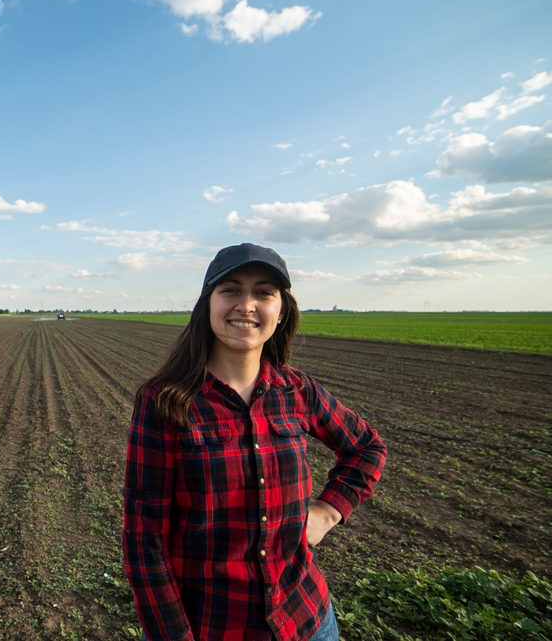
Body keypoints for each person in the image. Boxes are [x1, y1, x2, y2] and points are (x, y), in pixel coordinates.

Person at [122, 243, 386, 641]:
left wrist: (329, 511)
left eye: (263, 293)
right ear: (207, 305)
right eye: (230, 289)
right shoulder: (166, 401)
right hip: (212, 625)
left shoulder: (298, 391)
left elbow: (366, 447)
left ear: (281, 312)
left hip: (306, 620)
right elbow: (145, 540)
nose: (246, 305)